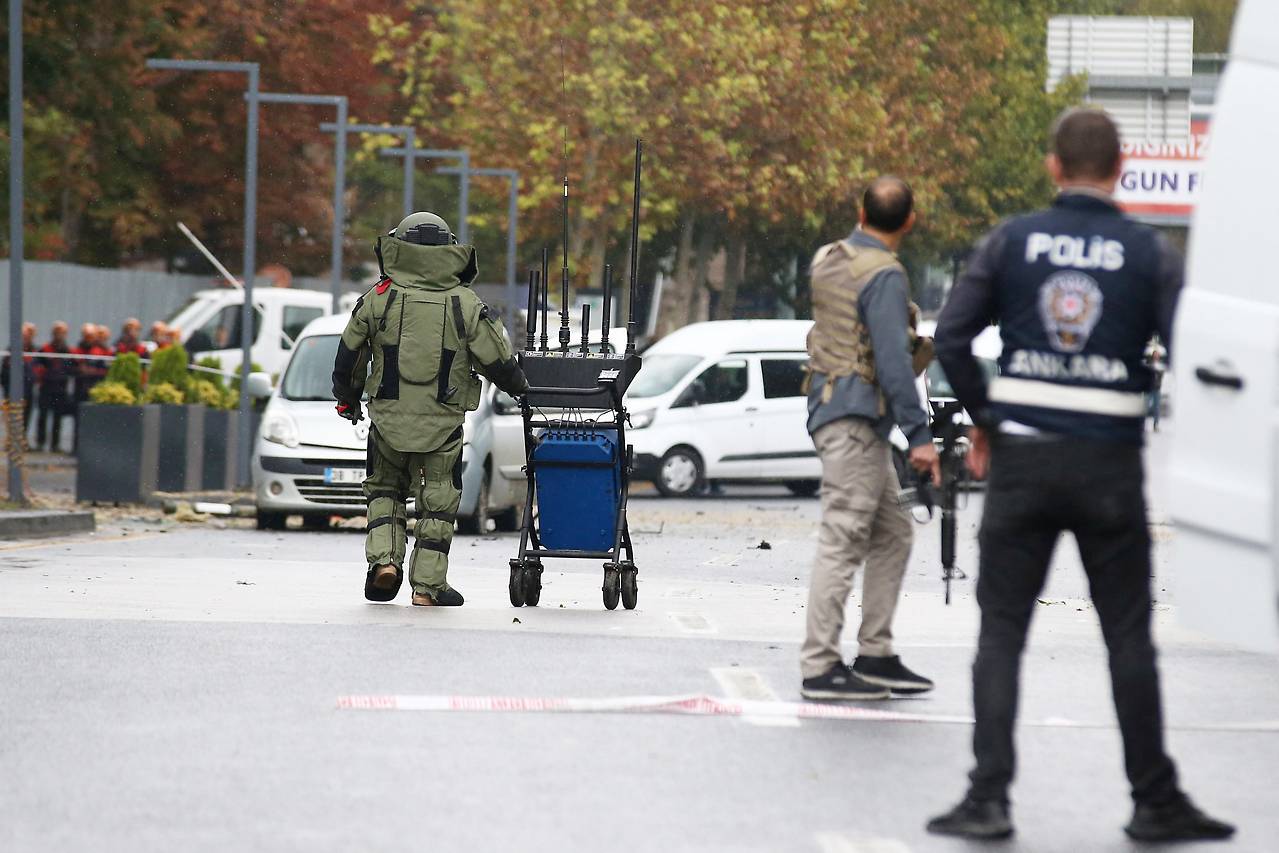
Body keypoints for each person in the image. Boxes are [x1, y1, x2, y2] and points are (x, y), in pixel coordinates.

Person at [927, 108, 1234, 842]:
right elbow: (1195, 352)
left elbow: (952, 336)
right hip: (1108, 469)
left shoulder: (1012, 241)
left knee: (1002, 631)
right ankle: (1154, 799)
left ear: (1053, 167)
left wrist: (986, 418)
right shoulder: (1149, 252)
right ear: (1120, 169)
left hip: (1023, 463)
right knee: (1127, 635)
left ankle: (987, 797)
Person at [332, 211, 529, 606]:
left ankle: (385, 562)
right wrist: (521, 390)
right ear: (449, 250)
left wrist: (348, 398)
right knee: (438, 499)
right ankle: (426, 587)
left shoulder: (378, 298)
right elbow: (497, 360)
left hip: (388, 420)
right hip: (443, 422)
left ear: (398, 247)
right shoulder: (465, 303)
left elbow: (349, 355)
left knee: (384, 490)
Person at [799, 176, 940, 701]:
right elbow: (893, 360)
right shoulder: (884, 274)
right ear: (910, 221)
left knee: (894, 532)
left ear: (860, 212)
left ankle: (876, 654)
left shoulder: (827, 259)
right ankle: (819, 665)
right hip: (855, 423)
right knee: (842, 540)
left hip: (837, 413)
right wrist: (920, 436)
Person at [36, 322, 73, 452]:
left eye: (62, 332)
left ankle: (55, 445)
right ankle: (40, 443)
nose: (59, 335)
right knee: (43, 416)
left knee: (58, 418)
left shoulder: (68, 350)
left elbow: (71, 369)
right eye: (57, 332)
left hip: (60, 389)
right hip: (46, 388)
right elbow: (38, 366)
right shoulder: (45, 349)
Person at [2, 322, 38, 438]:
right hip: (12, 392)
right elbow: (4, 373)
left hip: (28, 391)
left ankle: (22, 440)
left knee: (26, 418)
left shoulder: (35, 350)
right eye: (25, 335)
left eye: (30, 335)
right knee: (12, 418)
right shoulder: (11, 350)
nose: (27, 338)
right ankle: (12, 441)